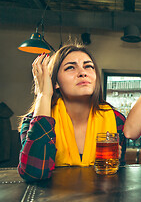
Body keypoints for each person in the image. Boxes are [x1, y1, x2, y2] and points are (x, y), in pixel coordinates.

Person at [18, 44, 126, 181]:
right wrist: (43, 95)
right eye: (70, 67)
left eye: (88, 66)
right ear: (55, 82)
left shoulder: (117, 120)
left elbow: (118, 179)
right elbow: (33, 173)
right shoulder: (33, 121)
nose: (82, 72)